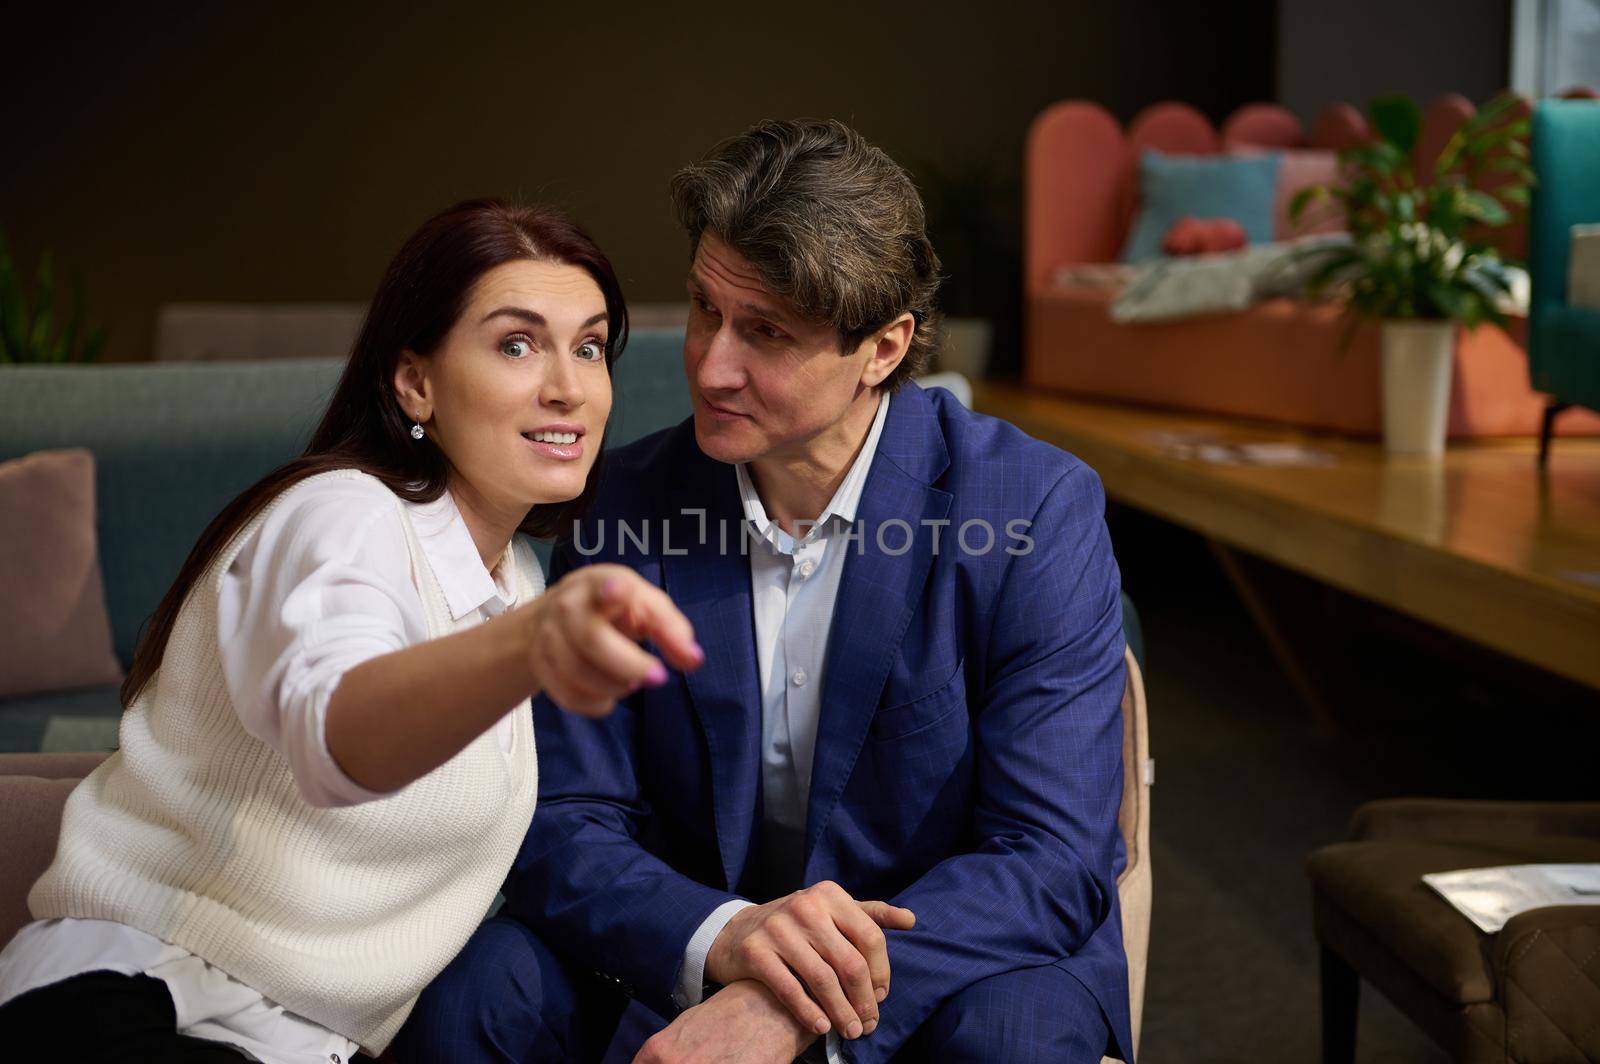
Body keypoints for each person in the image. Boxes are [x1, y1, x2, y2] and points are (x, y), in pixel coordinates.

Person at [401, 121, 1134, 1063]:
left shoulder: (1033, 508)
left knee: (1021, 1036)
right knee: (480, 993)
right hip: (686, 939)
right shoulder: (620, 501)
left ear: (884, 348)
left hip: (945, 965)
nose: (710, 366)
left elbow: (1050, 854)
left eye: (767, 334)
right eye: (706, 309)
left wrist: (790, 1007)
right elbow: (567, 818)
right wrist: (721, 943)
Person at [0, 199, 701, 1063]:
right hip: (151, 1006)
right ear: (416, 382)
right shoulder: (341, 515)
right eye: (516, 344)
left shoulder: (516, 577)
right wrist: (533, 647)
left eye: (589, 346)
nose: (567, 386)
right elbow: (334, 735)